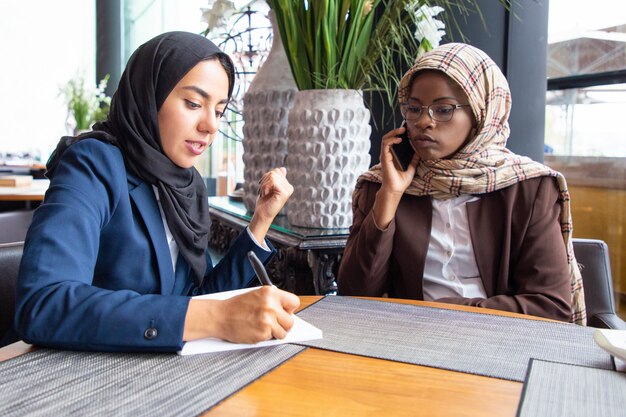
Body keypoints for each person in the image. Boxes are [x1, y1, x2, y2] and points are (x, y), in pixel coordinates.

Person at [14, 31, 300, 352]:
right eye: (194, 104)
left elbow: (197, 301)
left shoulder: (186, 185)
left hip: (163, 376)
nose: (211, 125)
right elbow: (44, 304)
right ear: (150, 96)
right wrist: (215, 317)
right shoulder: (94, 163)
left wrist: (261, 221)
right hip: (86, 380)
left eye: (219, 111)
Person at [337, 43, 586, 324]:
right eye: (414, 108)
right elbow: (354, 294)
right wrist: (389, 197)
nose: (423, 122)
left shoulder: (529, 188)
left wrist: (453, 309)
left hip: (500, 347)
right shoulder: (383, 184)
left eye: (443, 109)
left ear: (481, 114)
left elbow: (551, 308)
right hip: (407, 343)